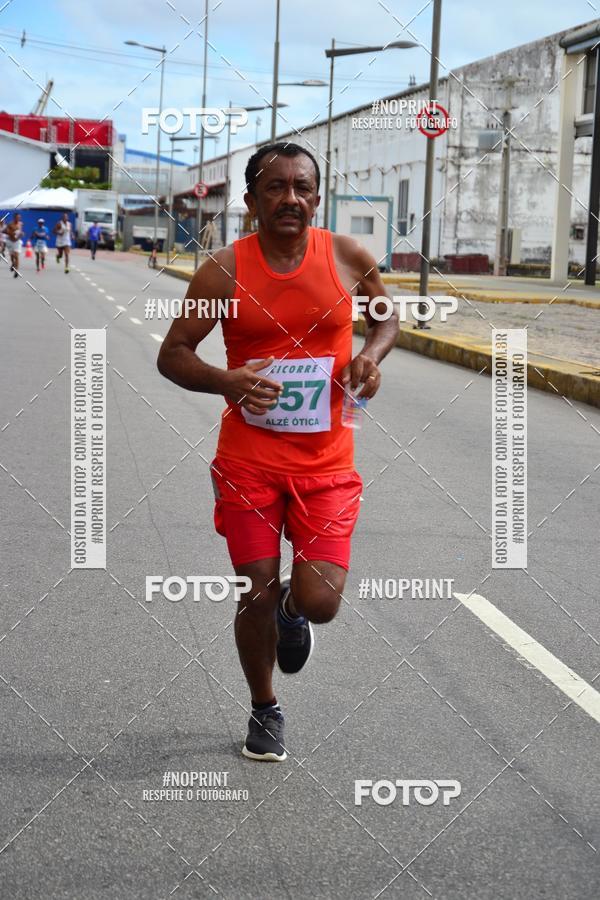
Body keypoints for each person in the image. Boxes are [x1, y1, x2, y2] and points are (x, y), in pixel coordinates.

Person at [157, 142, 398, 762]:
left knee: (319, 602)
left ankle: (295, 612)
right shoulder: (224, 270)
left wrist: (370, 356)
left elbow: (386, 320)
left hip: (327, 464)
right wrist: (225, 380)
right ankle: (265, 707)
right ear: (251, 200)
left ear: (317, 196)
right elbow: (174, 353)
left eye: (302, 187)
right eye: (275, 187)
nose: (290, 197)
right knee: (254, 591)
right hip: (248, 462)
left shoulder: (347, 257)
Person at [5, 213, 23, 278]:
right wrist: (12, 233)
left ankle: (16, 271)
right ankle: (13, 264)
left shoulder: (21, 224)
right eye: (17, 217)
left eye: (19, 217)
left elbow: (20, 232)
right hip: (10, 241)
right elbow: (6, 231)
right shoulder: (10, 224)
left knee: (16, 256)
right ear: (14, 218)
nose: (18, 218)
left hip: (17, 242)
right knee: (12, 256)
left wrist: (21, 234)